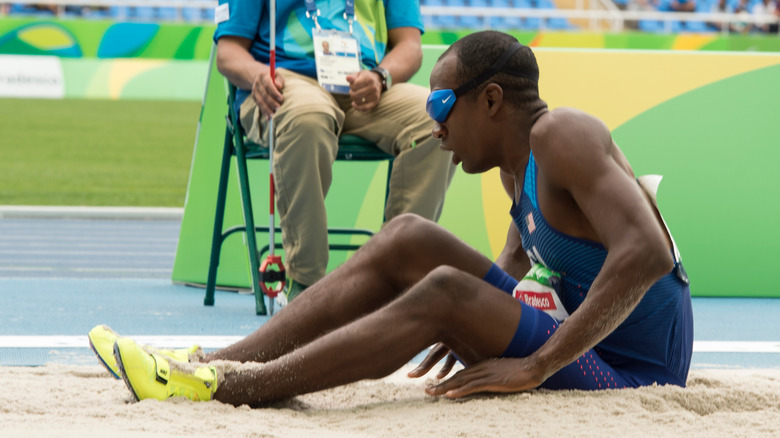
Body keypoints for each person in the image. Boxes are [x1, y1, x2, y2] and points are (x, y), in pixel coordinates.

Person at [92, 30, 693, 406]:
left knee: (444, 288)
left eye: (440, 104)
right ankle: (223, 361)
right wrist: (473, 322)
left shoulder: (563, 133)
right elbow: (516, 262)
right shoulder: (518, 166)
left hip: (635, 372)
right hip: (594, 344)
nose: (434, 126)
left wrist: (534, 361)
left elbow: (648, 252)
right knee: (409, 237)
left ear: (490, 101)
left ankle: (232, 387)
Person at [213, 0, 456, 300]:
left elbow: (410, 45)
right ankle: (306, 286)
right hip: (286, 82)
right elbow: (228, 51)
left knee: (436, 119)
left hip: (365, 85)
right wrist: (256, 74)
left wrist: (381, 76)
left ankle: (393, 279)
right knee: (308, 118)